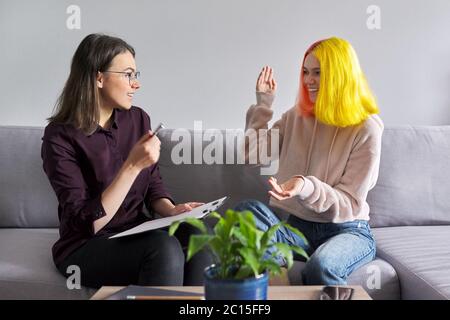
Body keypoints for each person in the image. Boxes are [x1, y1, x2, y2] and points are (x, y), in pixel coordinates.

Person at [41, 33, 211, 288]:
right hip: (85, 243)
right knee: (162, 249)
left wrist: (170, 210)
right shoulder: (60, 136)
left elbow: (153, 183)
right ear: (99, 77)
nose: (136, 84)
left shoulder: (138, 119)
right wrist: (131, 167)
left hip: (135, 230)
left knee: (197, 234)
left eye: (136, 75)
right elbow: (87, 223)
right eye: (128, 74)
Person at [236, 37, 384, 285]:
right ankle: (279, 287)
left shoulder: (367, 128)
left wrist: (305, 186)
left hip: (348, 230)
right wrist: (263, 104)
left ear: (339, 75)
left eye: (317, 73)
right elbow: (253, 157)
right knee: (247, 213)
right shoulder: (296, 117)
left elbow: (349, 203)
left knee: (321, 267)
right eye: (305, 72)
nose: (308, 80)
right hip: (298, 229)